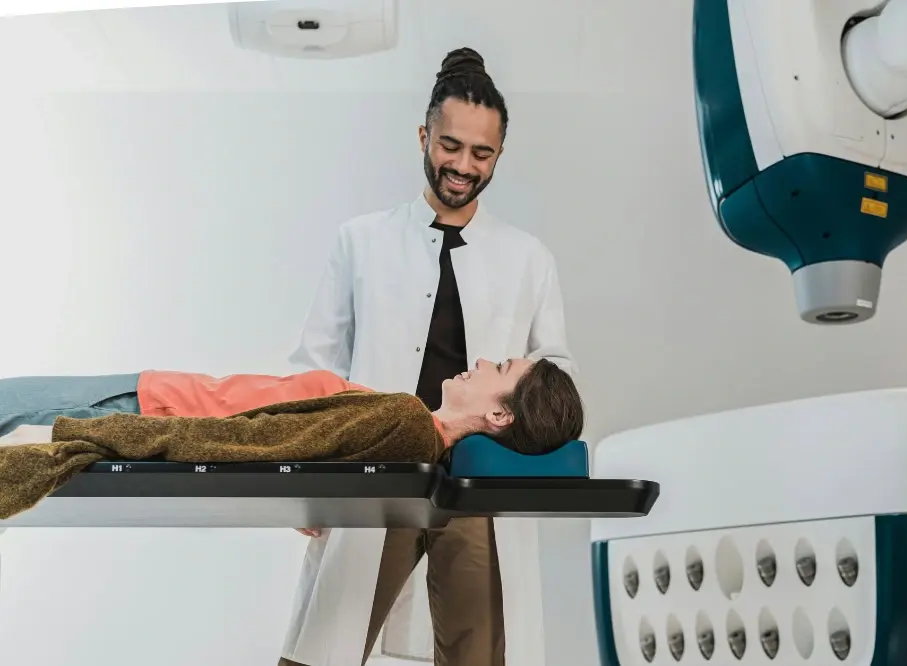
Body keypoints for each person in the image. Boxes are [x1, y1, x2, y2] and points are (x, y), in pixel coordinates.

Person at [281, 47, 576, 666]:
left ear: (499, 153)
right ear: (424, 135)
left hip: (476, 487)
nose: (463, 165)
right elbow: (316, 367)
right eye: (450, 145)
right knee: (323, 647)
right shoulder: (361, 241)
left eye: (482, 153)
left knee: (479, 653)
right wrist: (304, 482)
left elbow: (555, 379)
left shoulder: (529, 257)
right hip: (378, 474)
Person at [0, 357, 584, 521]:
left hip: (157, 405)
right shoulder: (409, 434)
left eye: (501, 369)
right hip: (164, 399)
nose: (482, 361)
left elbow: (256, 444)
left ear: (501, 417)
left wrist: (107, 435)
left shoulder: (406, 424)